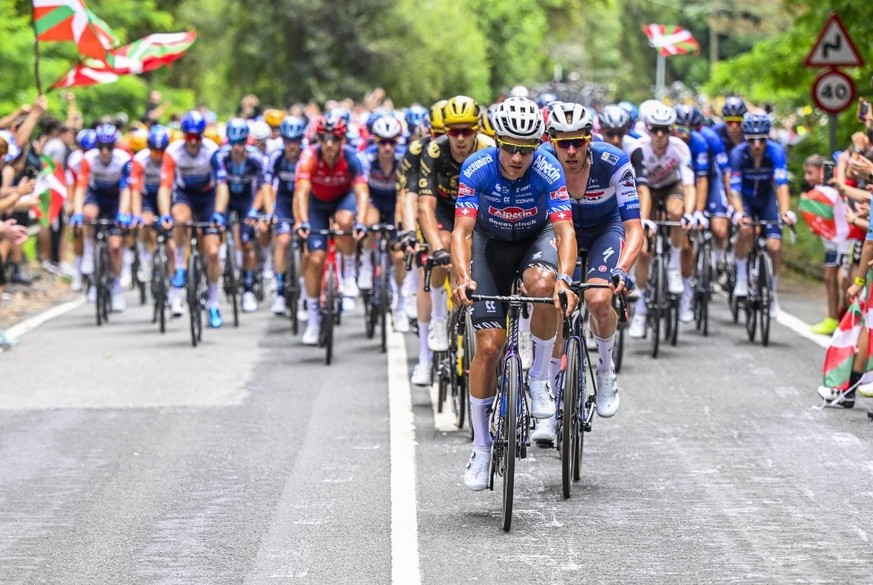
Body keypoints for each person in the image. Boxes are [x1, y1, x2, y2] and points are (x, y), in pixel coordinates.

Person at [450, 96, 579, 491]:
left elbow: (565, 232)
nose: (517, 158)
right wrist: (460, 278)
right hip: (490, 246)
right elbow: (462, 232)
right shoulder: (477, 167)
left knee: (542, 285)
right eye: (509, 148)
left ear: (536, 146)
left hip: (533, 240)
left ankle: (540, 375)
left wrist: (565, 279)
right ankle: (482, 447)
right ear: (496, 141)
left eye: (526, 149)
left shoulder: (548, 167)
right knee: (489, 346)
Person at [530, 101, 644, 445]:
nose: (571, 150)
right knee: (554, 302)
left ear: (589, 139)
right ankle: (547, 398)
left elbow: (635, 228)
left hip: (604, 231)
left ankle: (606, 370)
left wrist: (623, 269)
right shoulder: (541, 165)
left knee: (597, 299)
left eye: (577, 142)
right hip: (559, 231)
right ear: (550, 141)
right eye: (563, 142)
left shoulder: (614, 162)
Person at [418, 96, 494, 360]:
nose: (460, 138)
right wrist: (436, 249)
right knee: (444, 248)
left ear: (478, 130)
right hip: (445, 208)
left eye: (467, 131)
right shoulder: (434, 151)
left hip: (477, 210)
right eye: (453, 131)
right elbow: (425, 205)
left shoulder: (490, 149)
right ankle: (439, 319)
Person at [293, 112, 369, 345]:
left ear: (342, 141)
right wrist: (301, 221)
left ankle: (348, 274)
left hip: (342, 200)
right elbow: (301, 194)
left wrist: (362, 222)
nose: (328, 144)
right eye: (324, 138)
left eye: (334, 139)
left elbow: (362, 194)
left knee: (345, 221)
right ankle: (314, 321)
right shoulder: (309, 158)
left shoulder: (352, 158)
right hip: (317, 205)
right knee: (315, 259)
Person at [627, 103, 697, 337]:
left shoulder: (680, 148)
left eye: (665, 129)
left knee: (676, 212)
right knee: (644, 253)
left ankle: (675, 268)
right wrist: (642, 223)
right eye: (655, 129)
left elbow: (689, 185)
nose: (659, 135)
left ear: (671, 130)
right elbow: (640, 190)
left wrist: (690, 213)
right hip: (646, 191)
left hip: (670, 187)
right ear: (647, 128)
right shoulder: (638, 149)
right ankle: (640, 314)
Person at [157, 110, 225, 327]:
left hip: (208, 196)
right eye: (189, 136)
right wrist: (165, 214)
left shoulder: (212, 150)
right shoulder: (173, 151)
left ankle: (214, 303)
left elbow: (222, 186)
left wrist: (219, 213)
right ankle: (179, 265)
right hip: (185, 194)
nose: (194, 141)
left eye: (198, 136)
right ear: (183, 135)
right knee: (180, 218)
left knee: (213, 252)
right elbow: (165, 187)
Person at [729, 113, 795, 317]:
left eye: (762, 140)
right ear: (745, 139)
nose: (757, 145)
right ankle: (741, 277)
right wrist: (739, 213)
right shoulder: (738, 153)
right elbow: (734, 190)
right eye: (751, 140)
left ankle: (773, 294)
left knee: (774, 246)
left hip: (767, 201)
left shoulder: (776, 151)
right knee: (746, 230)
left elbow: (782, 185)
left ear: (768, 138)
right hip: (746, 200)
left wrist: (785, 212)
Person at [69, 123, 132, 312]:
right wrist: (78, 212)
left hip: (116, 199)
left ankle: (117, 288)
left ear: (115, 146)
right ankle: (89, 253)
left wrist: (122, 213)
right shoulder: (88, 159)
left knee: (114, 246)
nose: (105, 152)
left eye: (109, 147)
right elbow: (81, 187)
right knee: (88, 214)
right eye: (101, 147)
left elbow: (126, 189)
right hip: (96, 195)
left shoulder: (123, 159)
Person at [214, 118, 270, 313]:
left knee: (247, 242)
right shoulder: (221, 157)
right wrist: (219, 213)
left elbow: (264, 187)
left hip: (247, 200)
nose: (237, 148)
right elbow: (219, 186)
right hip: (227, 198)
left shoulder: (256, 158)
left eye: (241, 143)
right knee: (216, 233)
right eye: (233, 143)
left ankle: (248, 289)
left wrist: (255, 209)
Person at [265, 115, 307, 316]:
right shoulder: (276, 157)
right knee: (282, 240)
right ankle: (280, 291)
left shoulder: (308, 155)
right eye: (288, 141)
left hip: (305, 202)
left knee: (309, 244)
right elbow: (266, 186)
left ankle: (307, 292)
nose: (292, 146)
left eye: (296, 141)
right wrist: (269, 211)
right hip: (283, 203)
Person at [129, 126, 171, 283]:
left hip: (167, 196)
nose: (158, 156)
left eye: (162, 152)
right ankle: (145, 261)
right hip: (147, 196)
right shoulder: (140, 159)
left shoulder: (172, 158)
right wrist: (136, 215)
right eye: (154, 151)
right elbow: (135, 190)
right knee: (145, 223)